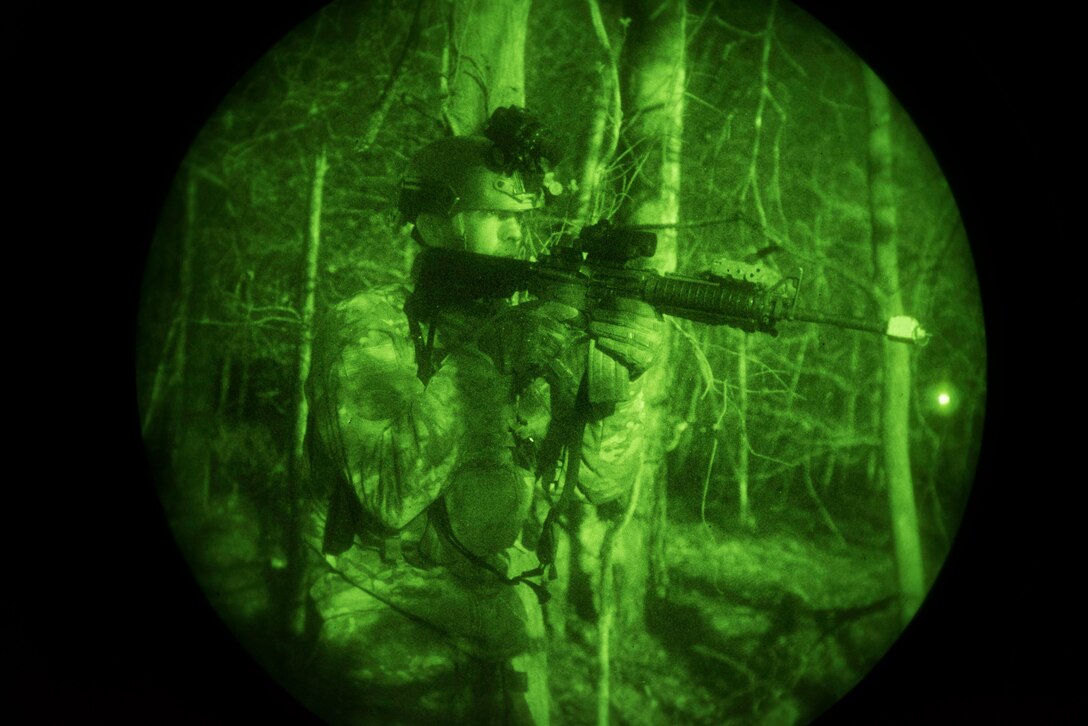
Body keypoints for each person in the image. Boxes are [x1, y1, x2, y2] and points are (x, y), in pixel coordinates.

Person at [302, 108, 664, 725]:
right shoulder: (371, 326)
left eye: (520, 220)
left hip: (508, 637)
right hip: (388, 633)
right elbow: (389, 492)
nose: (516, 236)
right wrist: (489, 357)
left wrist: (621, 382)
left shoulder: (525, 331)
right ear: (436, 219)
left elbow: (601, 485)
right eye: (496, 217)